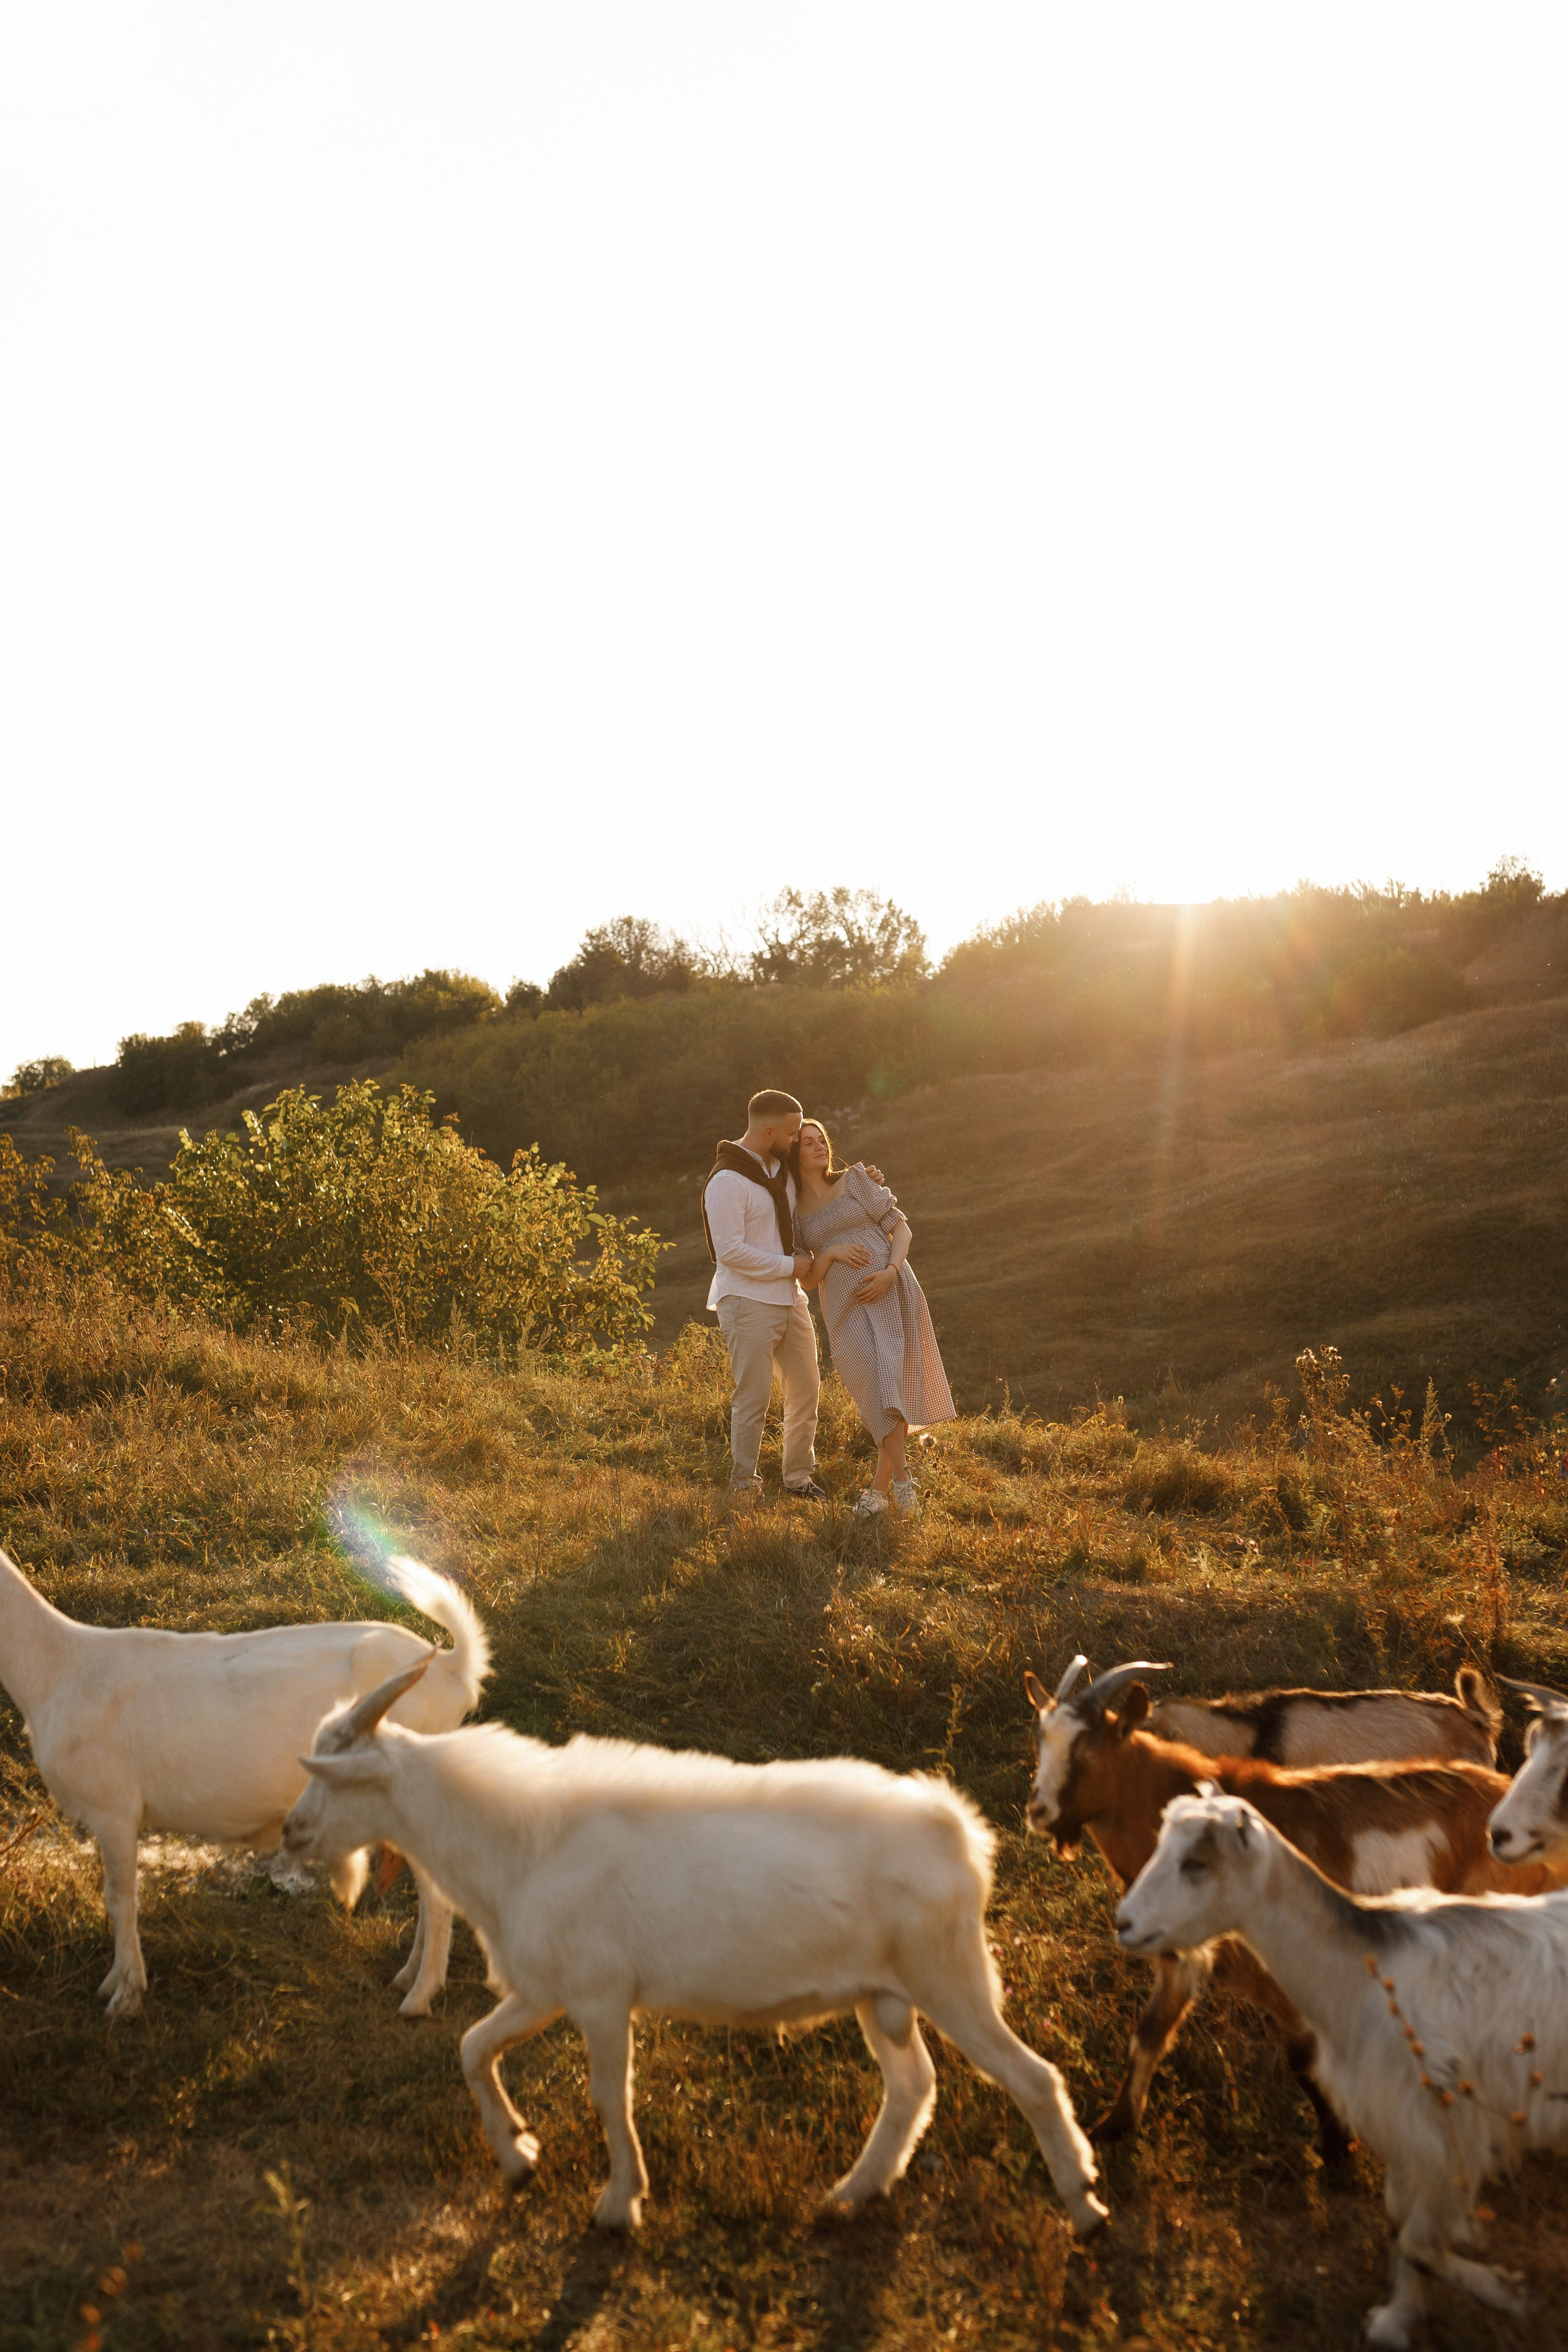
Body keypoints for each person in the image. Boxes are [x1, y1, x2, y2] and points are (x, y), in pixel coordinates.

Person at [790, 1117, 954, 1517]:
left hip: (891, 1291)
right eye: (807, 1143)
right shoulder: (793, 1212)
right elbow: (808, 1279)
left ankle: (890, 1490)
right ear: (793, 1155)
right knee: (871, 1389)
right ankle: (895, 1484)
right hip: (843, 1309)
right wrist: (830, 1253)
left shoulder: (855, 1179)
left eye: (821, 1140)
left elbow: (901, 1230)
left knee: (890, 1388)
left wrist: (889, 1273)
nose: (818, 1147)